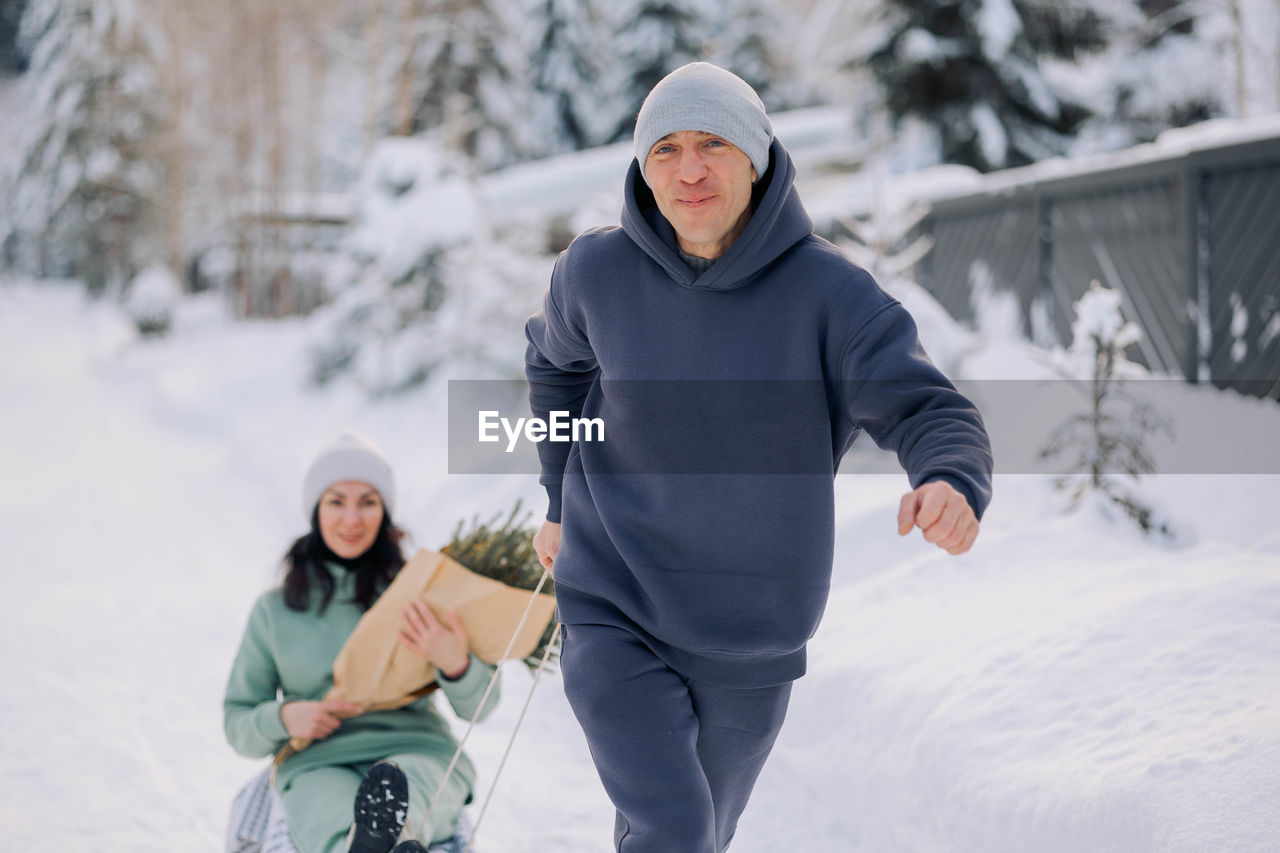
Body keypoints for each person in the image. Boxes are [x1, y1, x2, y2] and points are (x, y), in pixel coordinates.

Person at [524, 62, 994, 852]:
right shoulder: (595, 273)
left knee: (695, 831)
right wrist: (560, 499)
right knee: (672, 826)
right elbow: (555, 365)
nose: (690, 169)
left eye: (713, 143)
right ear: (643, 166)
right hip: (612, 600)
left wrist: (950, 478)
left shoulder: (831, 297)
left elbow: (930, 407)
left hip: (752, 632)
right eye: (666, 149)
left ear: (757, 156)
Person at [223, 432, 500, 853]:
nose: (352, 518)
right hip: (319, 758)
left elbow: (482, 705)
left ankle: (383, 841)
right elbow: (238, 722)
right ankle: (374, 845)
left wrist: (455, 663)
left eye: (368, 502)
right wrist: (284, 718)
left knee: (406, 786)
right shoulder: (275, 610)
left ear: (385, 512)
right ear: (315, 509)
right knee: (329, 809)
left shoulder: (421, 592)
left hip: (419, 748)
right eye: (336, 501)